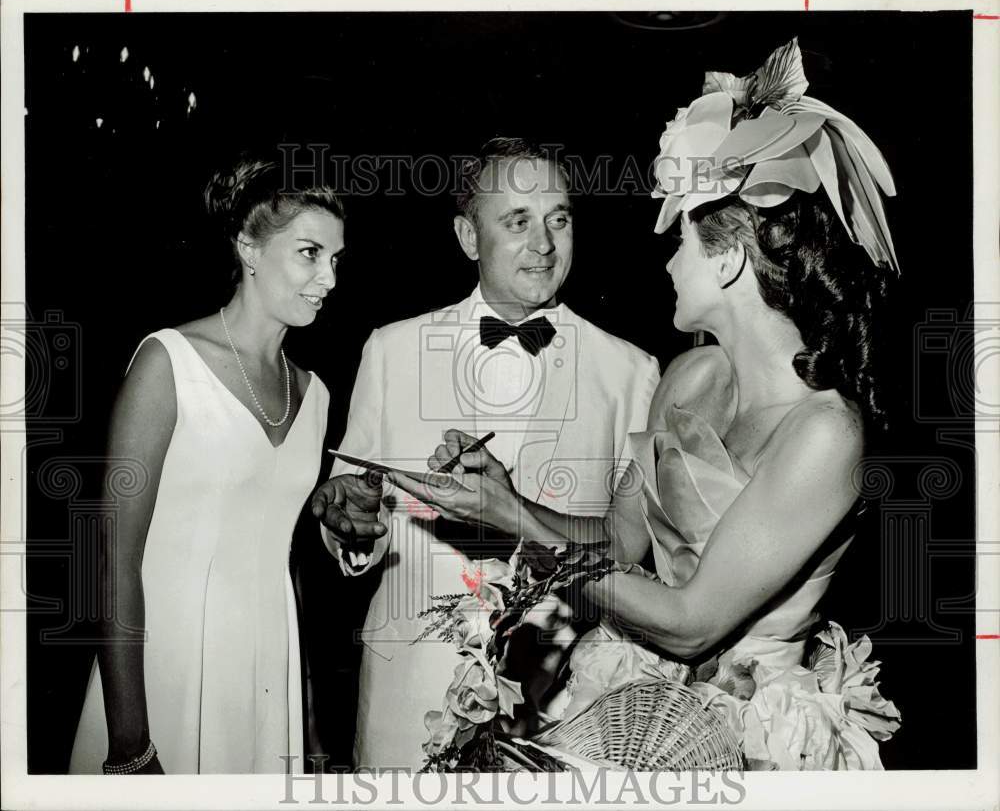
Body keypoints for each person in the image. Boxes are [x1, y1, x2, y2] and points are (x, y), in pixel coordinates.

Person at [390, 40, 902, 770]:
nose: (665, 262)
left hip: (749, 732)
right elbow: (618, 547)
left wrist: (516, 523)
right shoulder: (689, 376)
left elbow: (692, 623)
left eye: (682, 242)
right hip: (636, 699)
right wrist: (506, 496)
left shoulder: (824, 433)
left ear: (727, 258)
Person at [310, 137, 661, 769]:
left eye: (559, 219)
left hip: (561, 711)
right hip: (406, 697)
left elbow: (630, 554)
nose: (545, 244)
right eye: (518, 221)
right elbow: (354, 508)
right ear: (469, 237)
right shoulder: (391, 350)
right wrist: (350, 521)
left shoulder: (632, 373)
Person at [69, 154, 344, 774]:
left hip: (267, 668)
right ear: (249, 247)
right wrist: (130, 743)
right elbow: (112, 561)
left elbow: (287, 560)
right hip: (164, 669)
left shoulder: (318, 395)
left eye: (336, 259)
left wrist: (311, 726)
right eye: (309, 254)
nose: (329, 278)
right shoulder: (168, 362)